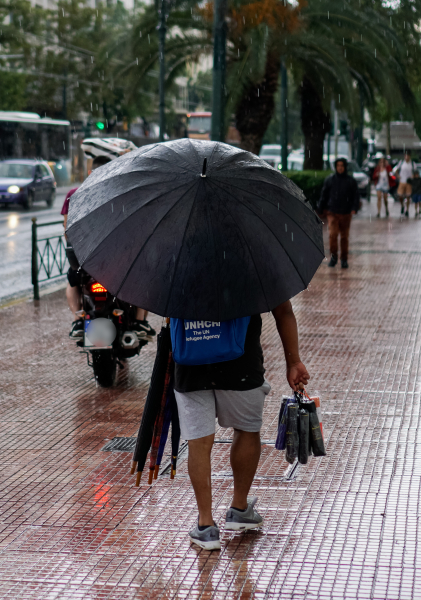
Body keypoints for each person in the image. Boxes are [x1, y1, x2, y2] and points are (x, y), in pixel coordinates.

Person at [179, 301, 310, 550]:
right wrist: (293, 362)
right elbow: (283, 310)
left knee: (199, 440)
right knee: (247, 428)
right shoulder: (256, 262)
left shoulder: (176, 261)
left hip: (191, 356)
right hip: (240, 357)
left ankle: (205, 525)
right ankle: (239, 508)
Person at [63, 155, 155, 339]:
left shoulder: (74, 194)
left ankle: (76, 319)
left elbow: (68, 231)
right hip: (119, 259)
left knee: (73, 281)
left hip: (86, 261)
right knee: (145, 279)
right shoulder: (123, 192)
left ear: (91, 172)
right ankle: (139, 322)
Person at [318, 158, 361, 269]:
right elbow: (324, 195)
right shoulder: (330, 180)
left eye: (342, 165)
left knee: (344, 237)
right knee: (333, 235)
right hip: (332, 212)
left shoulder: (350, 181)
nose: (340, 168)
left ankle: (344, 259)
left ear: (345, 167)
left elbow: (356, 196)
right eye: (338, 165)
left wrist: (354, 208)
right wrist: (320, 208)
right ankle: (333, 257)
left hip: (346, 213)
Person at [396, 150, 415, 216]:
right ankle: (402, 206)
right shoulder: (401, 163)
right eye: (406, 155)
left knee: (408, 196)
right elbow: (396, 170)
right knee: (400, 195)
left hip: (409, 182)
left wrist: (413, 176)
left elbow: (415, 172)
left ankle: (407, 210)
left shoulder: (412, 164)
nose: (407, 157)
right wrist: (398, 176)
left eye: (408, 156)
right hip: (402, 181)